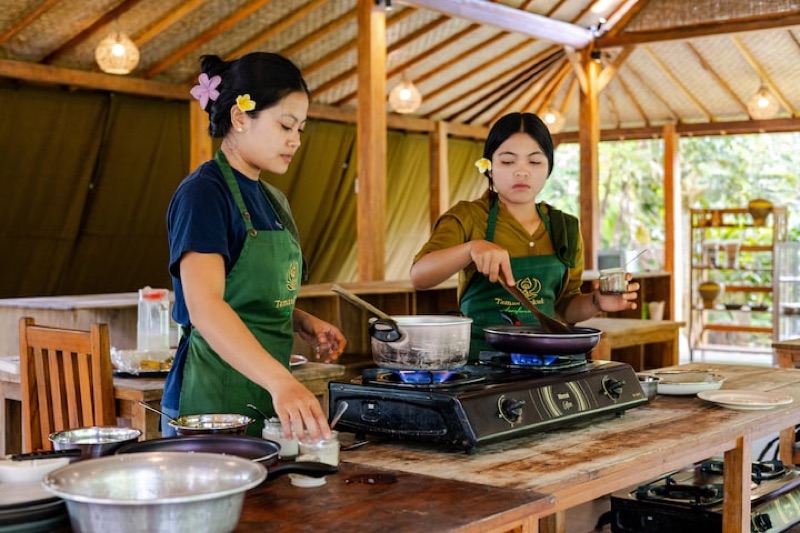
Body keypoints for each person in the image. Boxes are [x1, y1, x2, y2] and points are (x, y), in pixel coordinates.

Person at [162, 52, 346, 441]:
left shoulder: (273, 199)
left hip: (266, 395)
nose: (295, 141)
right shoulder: (204, 194)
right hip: (209, 403)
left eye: (301, 128)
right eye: (285, 125)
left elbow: (249, 295)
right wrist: (282, 381)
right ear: (240, 117)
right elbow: (206, 307)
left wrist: (302, 320)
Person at [410, 112, 639, 358]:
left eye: (534, 161)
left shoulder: (565, 227)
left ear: (548, 167)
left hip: (550, 362)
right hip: (484, 364)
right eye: (508, 162)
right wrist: (471, 249)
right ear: (489, 168)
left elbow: (563, 307)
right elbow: (420, 276)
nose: (521, 172)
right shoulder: (468, 217)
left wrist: (596, 302)